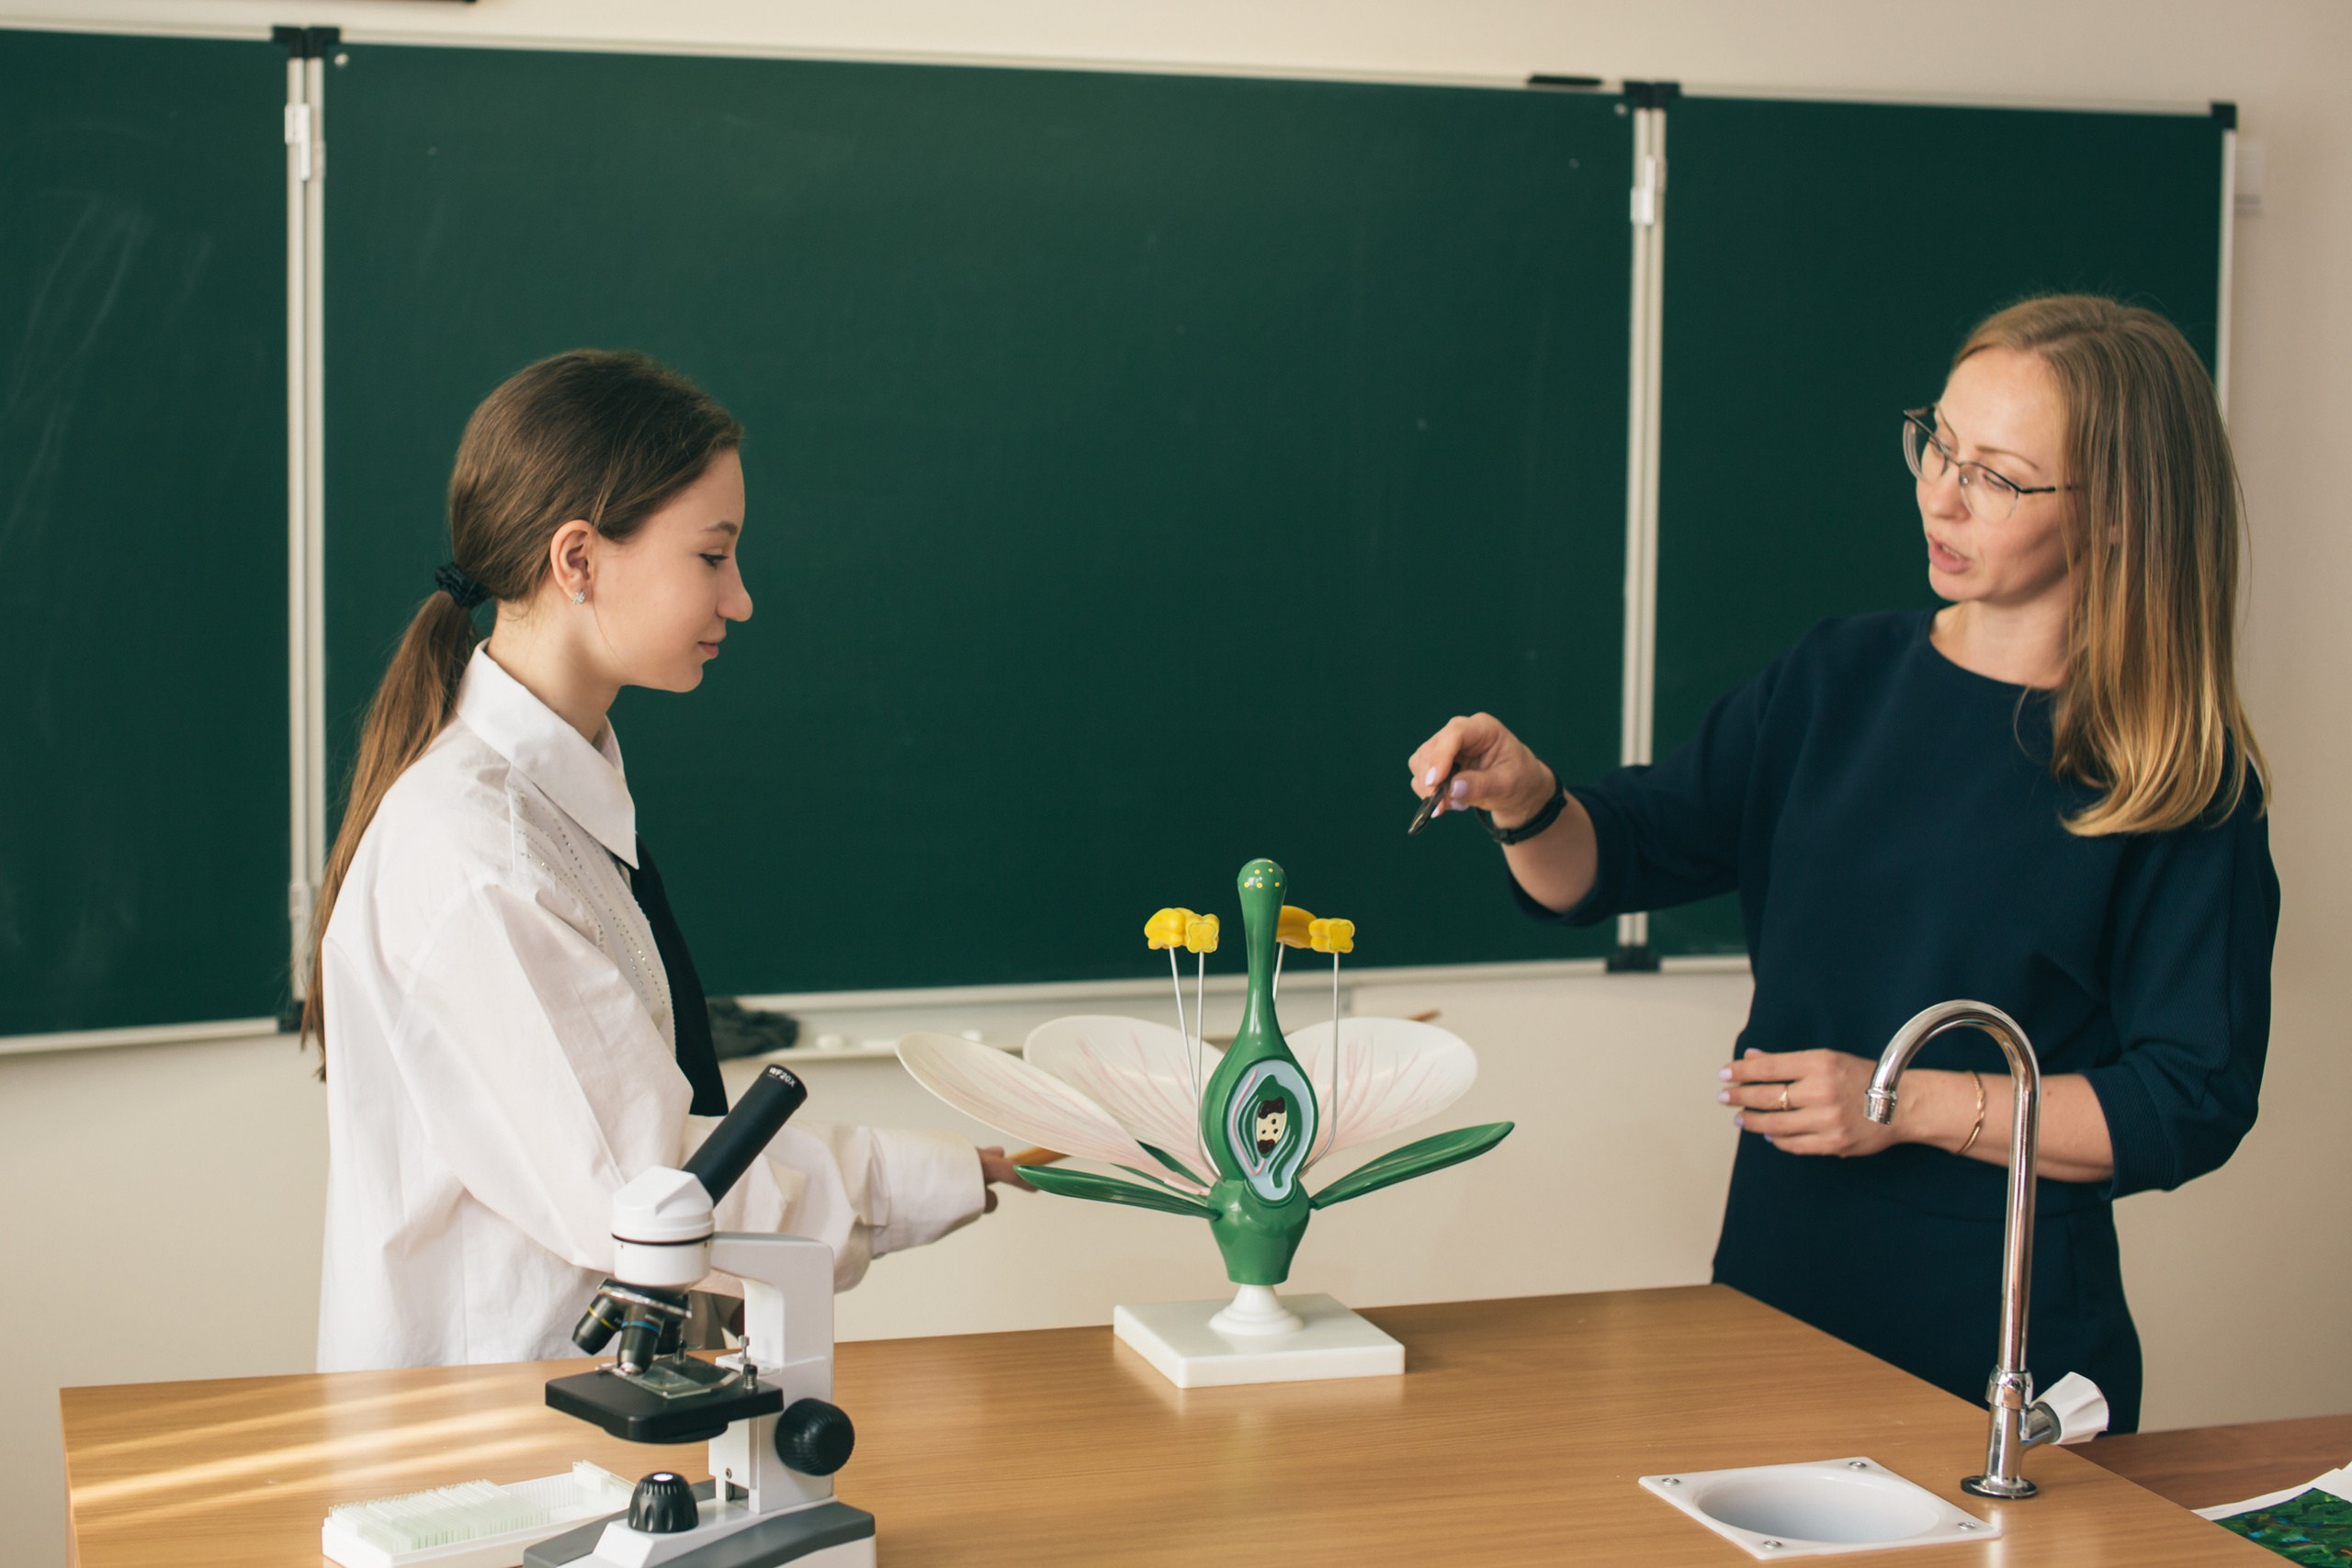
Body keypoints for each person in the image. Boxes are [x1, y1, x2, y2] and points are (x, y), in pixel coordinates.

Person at [1407, 296, 2277, 1433]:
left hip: (2000, 1328)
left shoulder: (2175, 776)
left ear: (2118, 513)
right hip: (1776, 1286)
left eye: (1999, 477)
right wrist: (1527, 802)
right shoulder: (1837, 677)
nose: (1941, 495)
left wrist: (1900, 1101)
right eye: (1937, 445)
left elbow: (2188, 1102)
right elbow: (1609, 862)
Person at [308, 350, 1029, 1372]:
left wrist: (960, 1169)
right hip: (499, 1457)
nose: (739, 600)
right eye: (711, 557)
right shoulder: (483, 857)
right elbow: (651, 1196)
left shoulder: (552, 805)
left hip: (578, 1414)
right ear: (578, 561)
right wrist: (949, 1173)